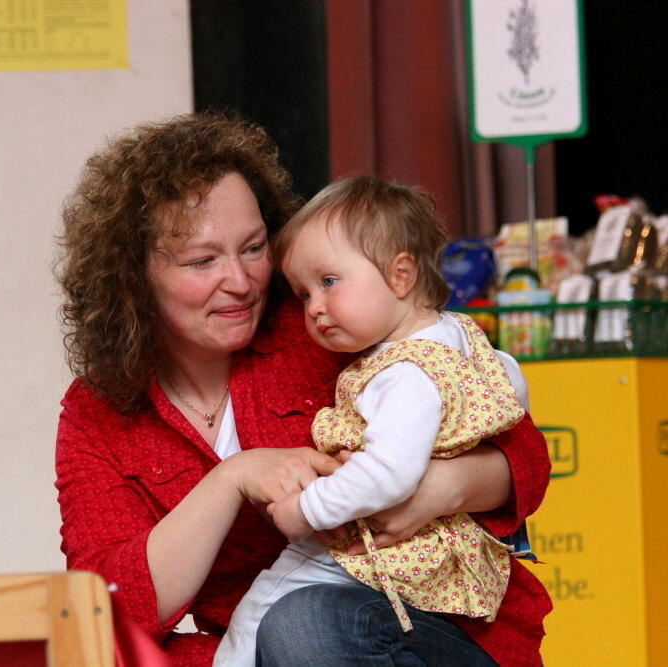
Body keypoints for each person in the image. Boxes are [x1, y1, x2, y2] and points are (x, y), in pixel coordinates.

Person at [54, 113, 551, 666]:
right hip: (261, 645)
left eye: (252, 248)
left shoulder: (325, 325)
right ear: (131, 278)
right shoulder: (97, 410)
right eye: (202, 261)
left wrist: (439, 488)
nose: (241, 282)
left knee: (305, 623)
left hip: (437, 631)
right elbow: (108, 609)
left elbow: (523, 451)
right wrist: (231, 480)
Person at [214, 176, 548, 666]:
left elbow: (389, 474)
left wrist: (303, 511)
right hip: (435, 558)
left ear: (401, 275)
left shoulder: (403, 373)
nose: (315, 308)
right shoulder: (460, 336)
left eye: (328, 282)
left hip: (373, 547)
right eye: (303, 294)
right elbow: (510, 390)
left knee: (262, 613)